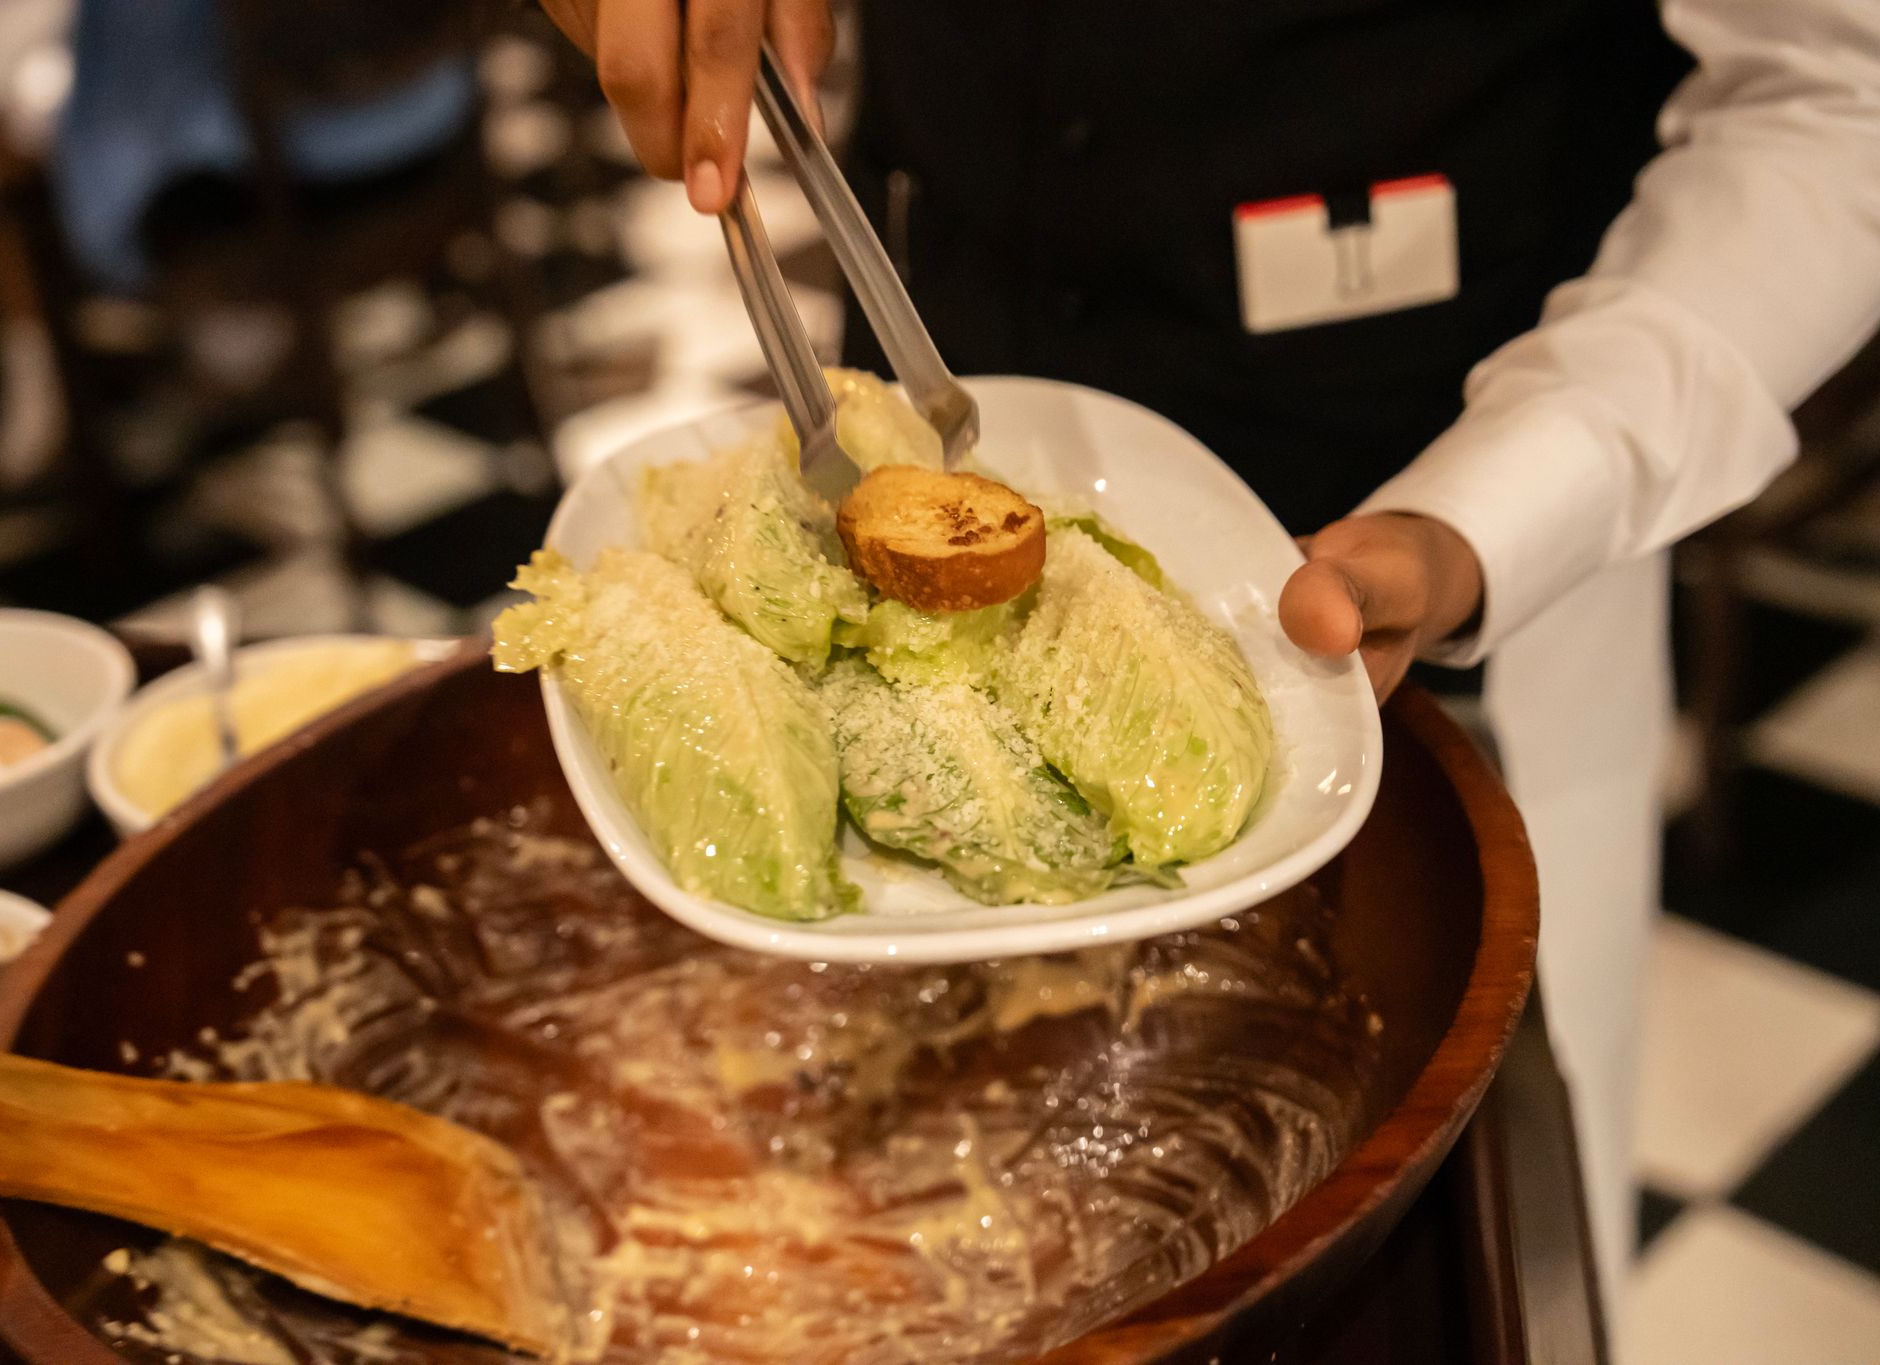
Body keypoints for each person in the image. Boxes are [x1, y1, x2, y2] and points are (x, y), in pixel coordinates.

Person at [537, 0, 1880, 1312]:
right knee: (943, 1254)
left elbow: (1837, 92)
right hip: (928, 402)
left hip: (1464, 564)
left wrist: (1497, 507)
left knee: (1422, 1258)